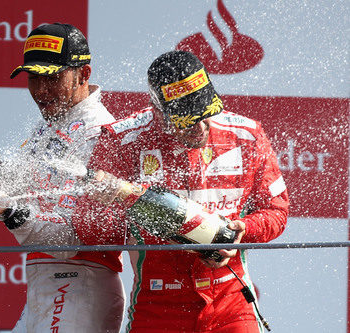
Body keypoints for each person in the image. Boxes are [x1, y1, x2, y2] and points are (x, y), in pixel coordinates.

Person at [73, 50, 289, 332]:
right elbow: (92, 232)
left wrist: (242, 230)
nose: (200, 127)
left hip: (231, 304)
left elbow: (276, 212)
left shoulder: (246, 135)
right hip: (159, 303)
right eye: (187, 119)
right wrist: (111, 202)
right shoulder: (121, 142)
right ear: (158, 110)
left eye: (207, 113)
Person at [0, 23, 124, 333]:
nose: (41, 91)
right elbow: (20, 187)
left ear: (84, 74)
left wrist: (9, 213)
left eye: (52, 78)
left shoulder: (100, 133)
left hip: (80, 285)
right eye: (33, 79)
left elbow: (72, 242)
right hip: (50, 286)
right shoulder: (49, 124)